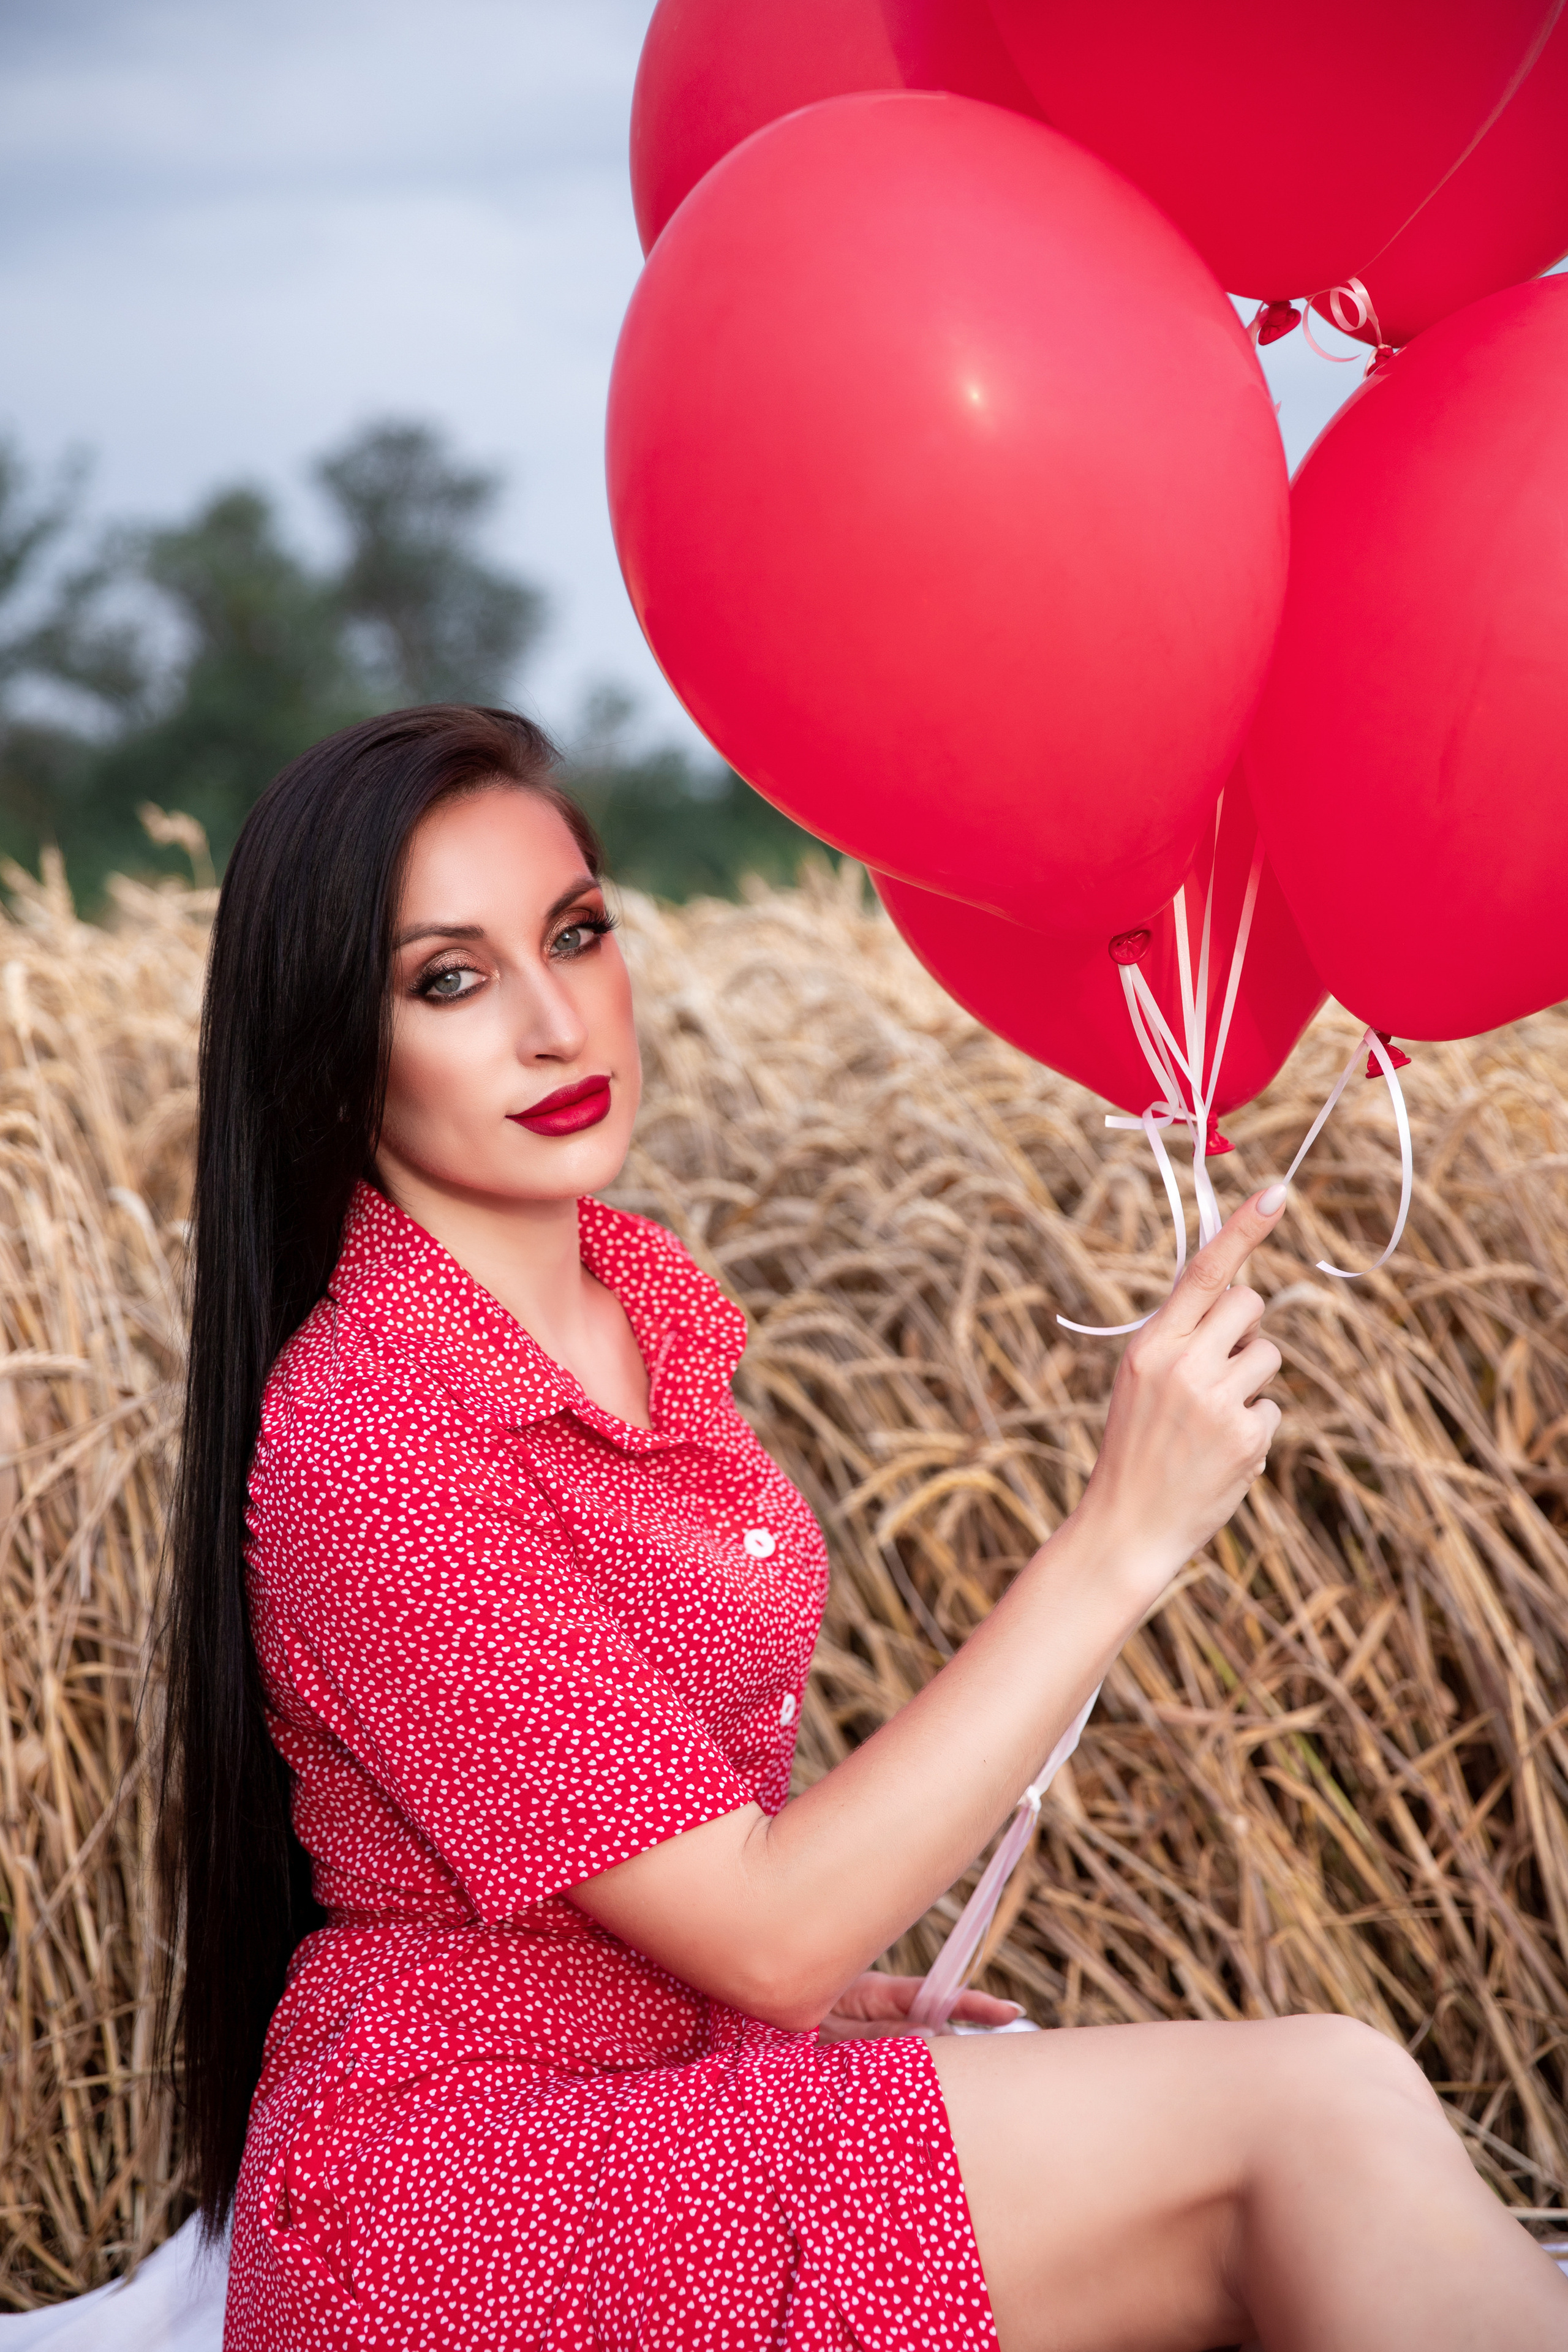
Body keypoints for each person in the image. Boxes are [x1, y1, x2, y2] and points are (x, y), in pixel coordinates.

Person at [160, 704, 1568, 2352]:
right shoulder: (372, 1435)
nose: (556, 1021)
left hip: (674, 2098)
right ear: (333, 1042)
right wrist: (1120, 1535)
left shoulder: (641, 1316)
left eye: (579, 933)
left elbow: (701, 1910)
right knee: (1313, 2105)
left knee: (1318, 2141)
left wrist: (775, 2000)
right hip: (463, 2214)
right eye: (451, 981)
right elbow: (763, 1925)